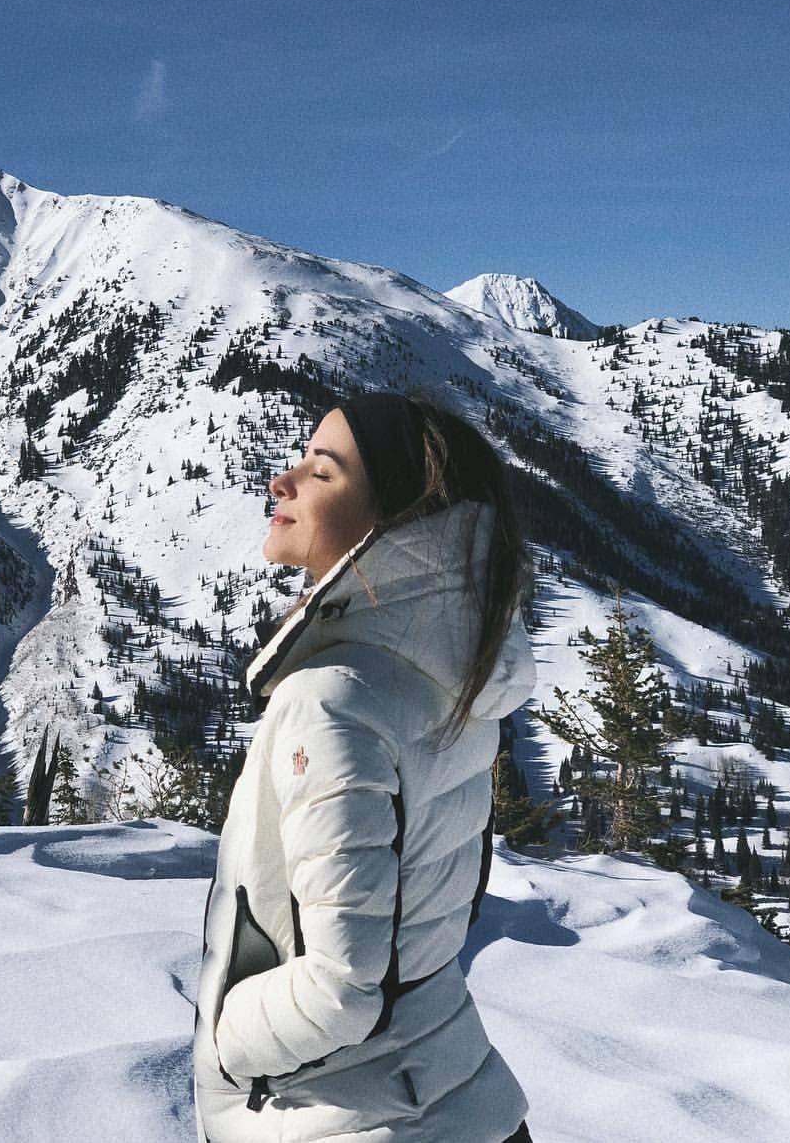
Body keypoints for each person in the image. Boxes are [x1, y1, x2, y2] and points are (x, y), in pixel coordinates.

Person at [193, 392, 534, 1142]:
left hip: (350, 1116)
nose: (282, 482)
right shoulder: (450, 675)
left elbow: (341, 989)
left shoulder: (332, 702)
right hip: (457, 1096)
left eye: (323, 472)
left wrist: (226, 1042)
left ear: (401, 526)